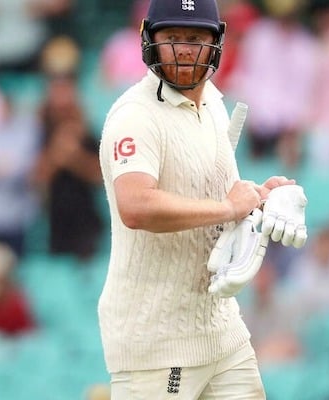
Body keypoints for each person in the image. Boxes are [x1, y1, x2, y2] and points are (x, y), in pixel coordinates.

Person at [97, 0, 302, 398]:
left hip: (220, 331)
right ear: (148, 40)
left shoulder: (213, 108)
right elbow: (136, 207)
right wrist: (228, 207)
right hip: (157, 342)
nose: (184, 49)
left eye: (194, 38)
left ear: (216, 43)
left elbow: (218, 201)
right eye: (172, 37)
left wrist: (262, 198)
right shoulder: (135, 116)